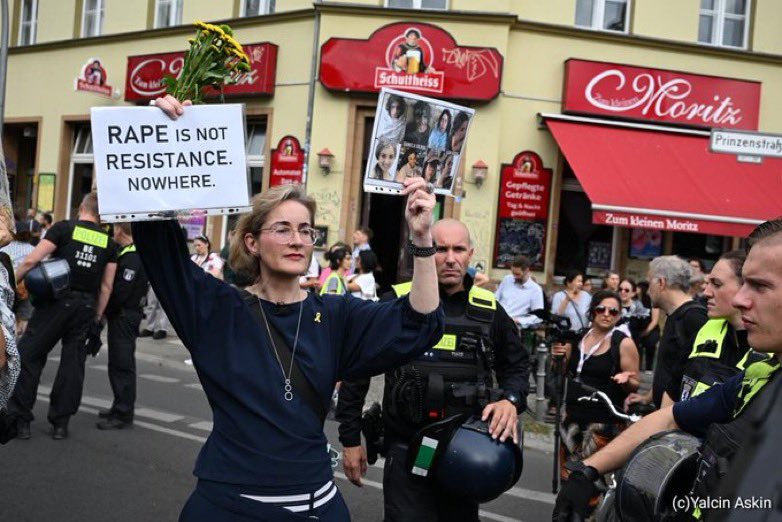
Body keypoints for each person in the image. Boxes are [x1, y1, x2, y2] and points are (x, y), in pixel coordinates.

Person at [146, 93, 444, 522]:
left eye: (305, 230)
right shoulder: (217, 309)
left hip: (316, 506)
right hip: (230, 506)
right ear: (252, 241)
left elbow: (419, 324)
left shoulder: (337, 314)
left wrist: (421, 237)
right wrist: (163, 138)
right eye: (282, 228)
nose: (297, 239)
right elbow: (161, 249)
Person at [553, 219, 782, 522]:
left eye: (760, 285)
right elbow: (672, 416)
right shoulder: (759, 377)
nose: (741, 299)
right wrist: (588, 470)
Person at [336, 218, 530, 522]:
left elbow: (517, 365)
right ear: (423, 251)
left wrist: (511, 400)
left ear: (470, 254)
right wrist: (350, 439)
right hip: (407, 449)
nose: (450, 258)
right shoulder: (397, 302)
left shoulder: (490, 310)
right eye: (440, 249)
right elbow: (356, 371)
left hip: (466, 453)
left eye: (458, 249)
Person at [9, 192, 117, 440]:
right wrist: (97, 318)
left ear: (81, 207)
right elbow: (106, 287)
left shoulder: (64, 229)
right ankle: (61, 424)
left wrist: (11, 283)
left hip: (56, 302)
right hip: (86, 307)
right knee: (72, 365)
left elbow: (31, 260)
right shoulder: (108, 243)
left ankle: (21, 420)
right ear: (101, 215)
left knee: (29, 355)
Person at [551, 290, 640, 513]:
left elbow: (635, 382)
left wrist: (625, 380)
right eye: (601, 309)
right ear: (592, 311)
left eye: (613, 311)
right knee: (568, 477)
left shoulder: (624, 343)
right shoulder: (579, 337)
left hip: (602, 425)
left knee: (589, 483)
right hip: (571, 419)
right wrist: (558, 357)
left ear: (619, 315)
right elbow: (563, 371)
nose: (607, 314)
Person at [678, 250, 768, 401]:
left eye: (717, 284)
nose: (706, 292)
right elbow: (672, 392)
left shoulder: (772, 348)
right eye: (708, 283)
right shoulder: (706, 329)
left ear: (745, 287)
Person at [624, 256, 708, 411]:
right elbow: (669, 367)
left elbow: (699, 375)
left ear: (661, 283)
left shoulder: (694, 318)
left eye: (650, 283)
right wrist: (648, 397)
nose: (647, 291)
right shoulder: (673, 316)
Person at [96, 222, 148, 430]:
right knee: (118, 363)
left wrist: (106, 311)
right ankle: (119, 405)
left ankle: (123, 413)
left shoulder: (132, 257)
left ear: (119, 230)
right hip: (125, 315)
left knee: (122, 365)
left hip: (124, 315)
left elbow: (122, 292)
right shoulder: (128, 252)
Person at [494, 254, 544, 330]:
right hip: (497, 321)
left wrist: (517, 321)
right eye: (513, 273)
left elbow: (538, 317)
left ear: (527, 270)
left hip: (514, 327)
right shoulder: (507, 279)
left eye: (518, 274)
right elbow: (495, 299)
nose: (514, 276)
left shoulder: (535, 290)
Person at [0, 230, 34, 335]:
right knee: (24, 315)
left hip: (8, 285)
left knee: (8, 313)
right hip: (26, 286)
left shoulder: (5, 248)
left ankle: (10, 338)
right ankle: (20, 336)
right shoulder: (33, 249)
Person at [636, 280, 660, 371]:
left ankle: (649, 368)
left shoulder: (651, 302)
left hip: (651, 329)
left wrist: (646, 331)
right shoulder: (635, 301)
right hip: (639, 329)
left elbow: (655, 320)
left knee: (650, 343)